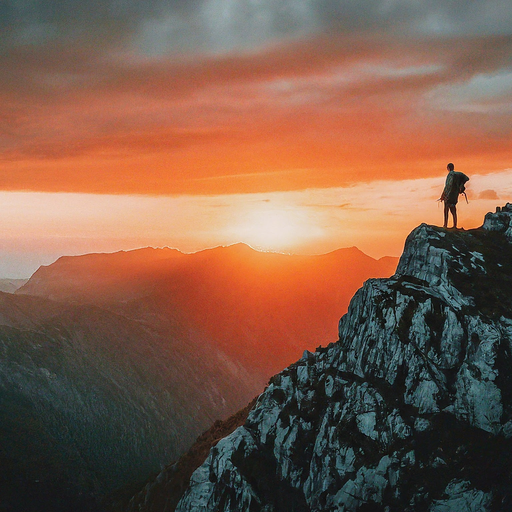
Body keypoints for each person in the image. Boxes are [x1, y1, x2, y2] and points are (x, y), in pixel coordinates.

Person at [439, 163, 469, 229]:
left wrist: (443, 195)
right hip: (454, 195)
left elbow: (447, 186)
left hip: (449, 195)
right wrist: (461, 185)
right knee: (453, 210)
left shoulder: (450, 175)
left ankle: (445, 225)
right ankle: (454, 225)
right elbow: (467, 178)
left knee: (446, 210)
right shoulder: (458, 174)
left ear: (448, 168)